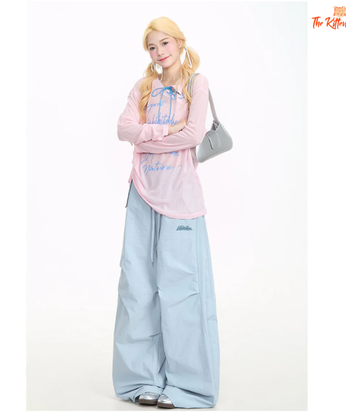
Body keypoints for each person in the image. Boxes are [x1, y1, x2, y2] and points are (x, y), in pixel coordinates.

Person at [112, 16, 220, 409]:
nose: (159, 52)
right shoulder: (143, 87)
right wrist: (164, 132)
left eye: (164, 43)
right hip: (141, 194)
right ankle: (141, 379)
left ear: (179, 42)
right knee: (137, 287)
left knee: (182, 289)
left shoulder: (196, 84)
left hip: (181, 199)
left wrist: (146, 139)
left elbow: (193, 134)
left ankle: (188, 386)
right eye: (152, 47)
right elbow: (124, 130)